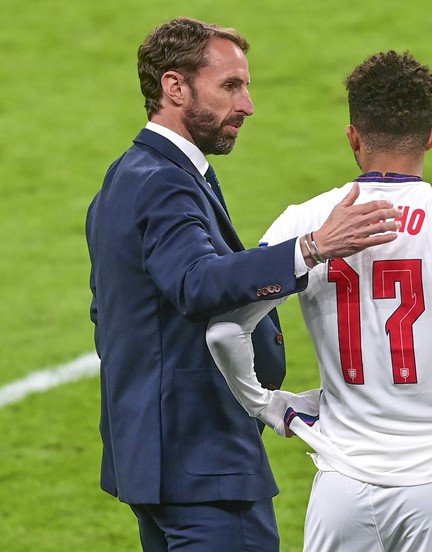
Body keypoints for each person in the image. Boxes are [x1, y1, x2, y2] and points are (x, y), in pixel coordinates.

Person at [206, 50, 432, 551]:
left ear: (353, 136)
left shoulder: (306, 222)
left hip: (341, 489)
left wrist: (265, 405)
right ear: (431, 136)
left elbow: (224, 329)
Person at [85, 18, 401, 552]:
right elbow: (195, 282)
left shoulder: (128, 174)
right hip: (202, 465)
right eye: (230, 86)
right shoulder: (165, 182)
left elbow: (112, 311)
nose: (248, 104)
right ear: (175, 87)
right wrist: (312, 248)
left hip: (154, 458)